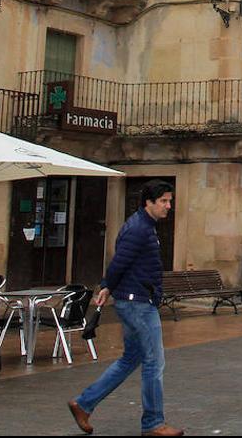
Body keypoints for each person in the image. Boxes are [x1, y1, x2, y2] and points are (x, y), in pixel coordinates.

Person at [69, 180, 182, 437]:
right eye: (164, 201)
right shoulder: (139, 229)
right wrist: (107, 284)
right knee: (154, 361)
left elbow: (123, 262)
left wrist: (109, 286)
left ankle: (84, 403)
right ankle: (153, 423)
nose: (168, 206)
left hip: (136, 298)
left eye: (169, 201)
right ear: (148, 202)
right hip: (137, 302)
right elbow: (119, 261)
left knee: (131, 359)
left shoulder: (144, 227)